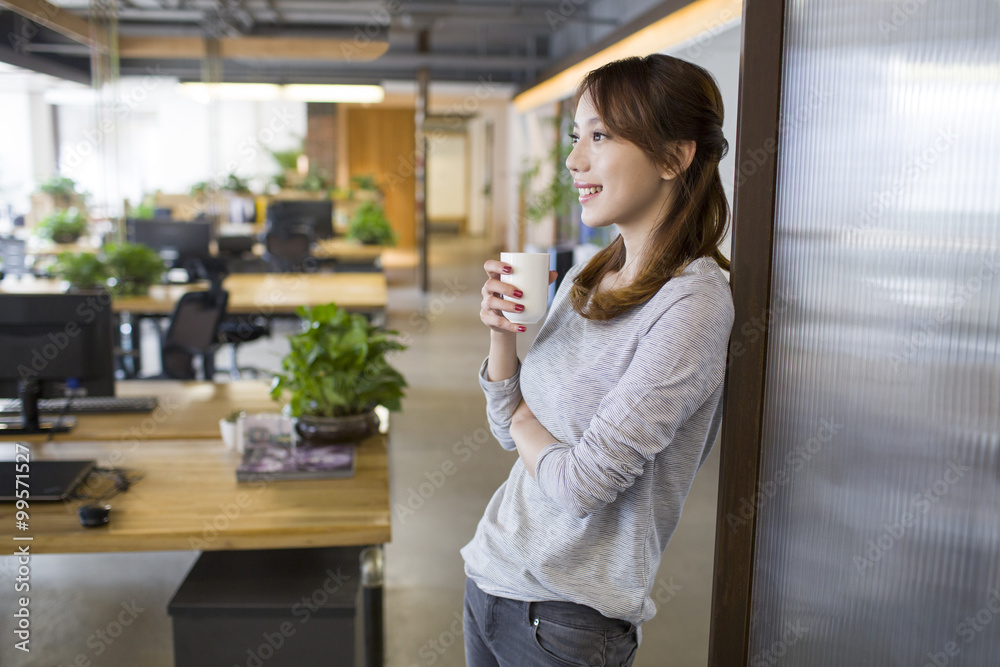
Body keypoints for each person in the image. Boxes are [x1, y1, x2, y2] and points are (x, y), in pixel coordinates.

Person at [461, 53, 736, 667]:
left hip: (565, 621)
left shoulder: (693, 305)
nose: (574, 159)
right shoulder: (597, 269)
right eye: (576, 135)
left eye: (601, 136)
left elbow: (582, 486)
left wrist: (525, 425)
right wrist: (501, 336)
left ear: (674, 156)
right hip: (491, 576)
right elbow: (507, 427)